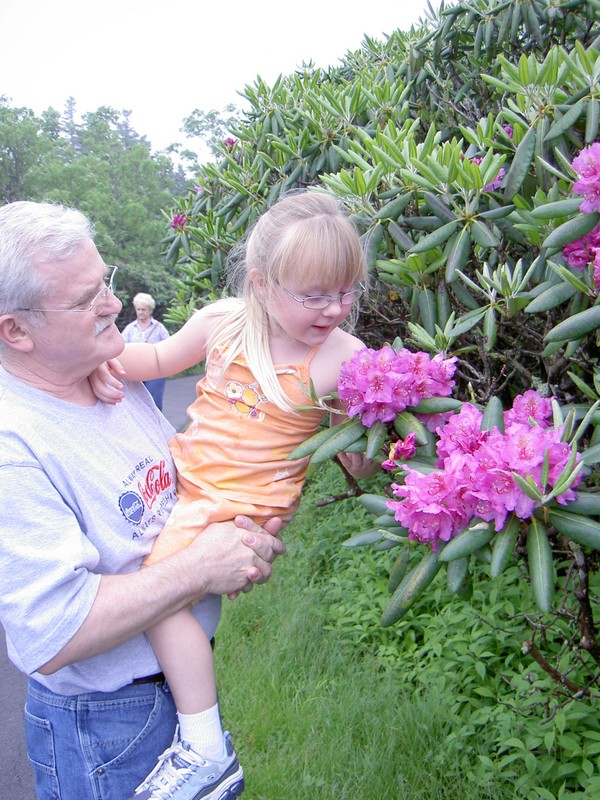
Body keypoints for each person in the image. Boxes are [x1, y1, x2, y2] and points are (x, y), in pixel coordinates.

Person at [93, 190, 379, 800]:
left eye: (347, 291)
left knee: (158, 592)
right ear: (262, 282)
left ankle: (203, 746)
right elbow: (156, 358)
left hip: (240, 505)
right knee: (152, 580)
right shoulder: (223, 322)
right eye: (315, 295)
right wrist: (99, 358)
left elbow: (355, 459)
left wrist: (377, 428)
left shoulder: (341, 358)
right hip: (187, 482)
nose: (335, 309)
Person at [0, 200, 285, 800]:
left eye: (106, 282)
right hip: (104, 730)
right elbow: (49, 633)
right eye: (84, 300)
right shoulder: (13, 444)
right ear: (17, 331)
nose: (112, 304)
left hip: (168, 697)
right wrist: (200, 566)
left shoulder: (105, 376)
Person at [122, 292, 171, 410]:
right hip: (134, 371)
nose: (140, 312)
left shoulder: (159, 328)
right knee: (136, 403)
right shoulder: (130, 328)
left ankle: (158, 427)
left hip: (155, 371)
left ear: (150, 310)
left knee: (155, 402)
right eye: (138, 309)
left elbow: (168, 346)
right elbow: (121, 347)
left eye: (143, 309)